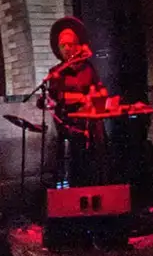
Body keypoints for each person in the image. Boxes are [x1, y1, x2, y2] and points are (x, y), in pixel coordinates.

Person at [43, 16, 106, 186]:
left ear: (78, 45)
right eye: (63, 45)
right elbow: (58, 97)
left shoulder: (88, 68)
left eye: (70, 44)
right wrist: (82, 98)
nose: (67, 48)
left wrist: (97, 94)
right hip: (69, 125)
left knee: (96, 157)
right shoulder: (56, 72)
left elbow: (100, 89)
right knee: (74, 161)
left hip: (90, 123)